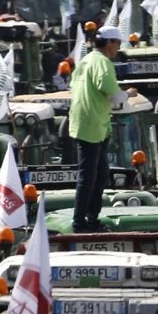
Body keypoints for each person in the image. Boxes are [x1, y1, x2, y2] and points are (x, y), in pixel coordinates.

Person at [68, 25, 125, 231]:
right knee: (89, 176)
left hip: (89, 123)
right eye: (118, 43)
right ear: (110, 43)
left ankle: (91, 218)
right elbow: (113, 93)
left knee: (99, 174)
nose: (118, 48)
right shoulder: (102, 62)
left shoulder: (86, 60)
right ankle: (80, 222)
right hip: (91, 125)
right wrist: (129, 94)